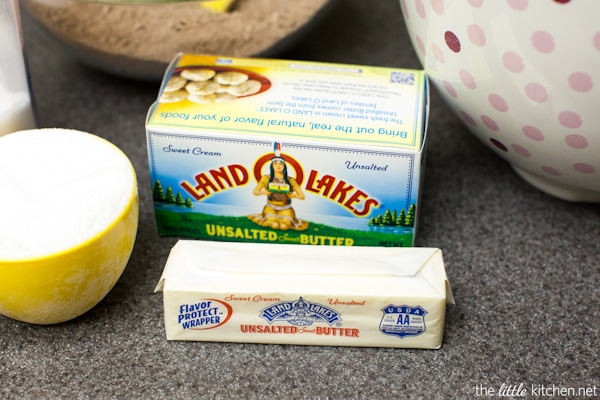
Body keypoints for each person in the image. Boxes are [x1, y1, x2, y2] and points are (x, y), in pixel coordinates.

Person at [248, 144, 309, 231]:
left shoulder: (291, 180)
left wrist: (294, 196)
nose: (278, 165)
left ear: (284, 166)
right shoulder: (266, 178)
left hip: (286, 209)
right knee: (274, 225)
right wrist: (263, 192)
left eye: (281, 163)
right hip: (270, 208)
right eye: (275, 163)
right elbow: (255, 192)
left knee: (284, 226)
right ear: (272, 166)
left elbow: (302, 196)